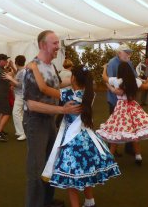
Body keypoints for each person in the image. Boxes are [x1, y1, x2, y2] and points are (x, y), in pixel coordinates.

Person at [27, 62, 120, 207]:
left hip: (72, 141)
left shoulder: (69, 94)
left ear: (73, 78)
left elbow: (43, 88)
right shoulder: (89, 94)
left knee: (72, 179)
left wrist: (34, 69)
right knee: (85, 172)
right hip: (87, 138)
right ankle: (90, 201)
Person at [23, 30, 81, 207]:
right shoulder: (32, 68)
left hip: (49, 121)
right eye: (54, 43)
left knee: (51, 163)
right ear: (42, 45)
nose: (58, 47)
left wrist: (76, 81)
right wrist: (62, 110)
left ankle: (46, 200)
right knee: (37, 167)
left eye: (58, 43)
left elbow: (55, 85)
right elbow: (31, 104)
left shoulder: (50, 66)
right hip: (35, 121)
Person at [98, 62, 148, 165]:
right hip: (133, 107)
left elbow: (104, 77)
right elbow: (146, 87)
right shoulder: (135, 81)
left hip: (121, 109)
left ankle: (110, 157)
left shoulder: (116, 81)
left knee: (116, 131)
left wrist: (105, 67)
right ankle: (138, 156)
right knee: (134, 132)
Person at [106, 43, 137, 155]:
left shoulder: (129, 62)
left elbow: (134, 77)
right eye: (126, 52)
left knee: (130, 124)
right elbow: (109, 80)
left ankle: (129, 148)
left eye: (129, 52)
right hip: (115, 100)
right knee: (114, 125)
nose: (128, 54)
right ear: (119, 53)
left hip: (127, 100)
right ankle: (113, 149)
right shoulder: (112, 63)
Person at [3, 55, 27, 141]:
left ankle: (22, 133)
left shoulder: (23, 71)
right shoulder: (21, 70)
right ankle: (22, 132)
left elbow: (20, 85)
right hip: (20, 95)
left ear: (16, 62)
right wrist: (13, 67)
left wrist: (10, 79)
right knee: (20, 114)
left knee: (16, 113)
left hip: (21, 95)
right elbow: (17, 75)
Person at [0, 54, 12, 142]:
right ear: (1, 61)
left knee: (2, 113)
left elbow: (6, 75)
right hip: (1, 94)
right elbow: (10, 79)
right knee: (7, 113)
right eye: (6, 60)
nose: (7, 62)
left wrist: (8, 68)